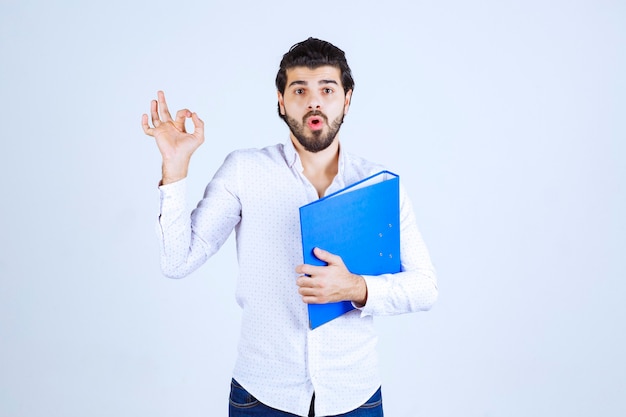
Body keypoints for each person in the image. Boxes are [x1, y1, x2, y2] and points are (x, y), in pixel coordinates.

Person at [142, 37, 437, 417]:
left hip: (355, 396)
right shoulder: (244, 171)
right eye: (300, 90)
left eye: (327, 89)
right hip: (262, 396)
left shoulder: (379, 186)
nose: (314, 101)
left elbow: (425, 287)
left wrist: (357, 287)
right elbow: (176, 262)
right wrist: (175, 167)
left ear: (346, 99)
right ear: (281, 101)